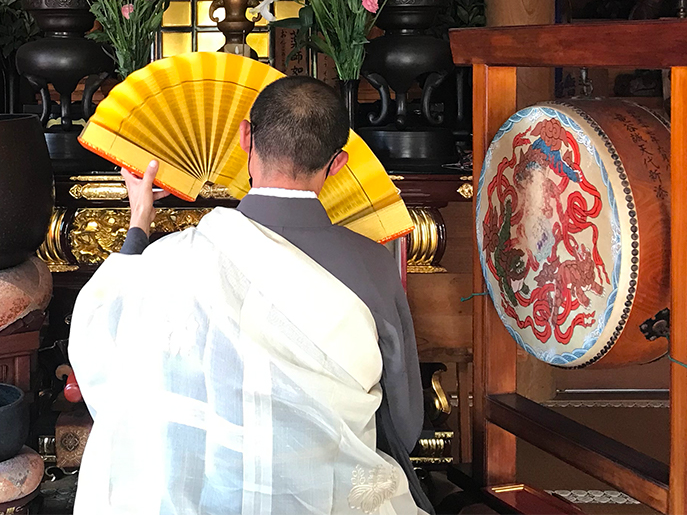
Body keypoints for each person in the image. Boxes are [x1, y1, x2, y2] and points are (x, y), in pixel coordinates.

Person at [69, 76, 429, 514]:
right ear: (337, 164)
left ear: (245, 137)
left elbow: (100, 341)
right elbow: (405, 421)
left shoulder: (174, 261)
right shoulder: (373, 265)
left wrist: (139, 222)